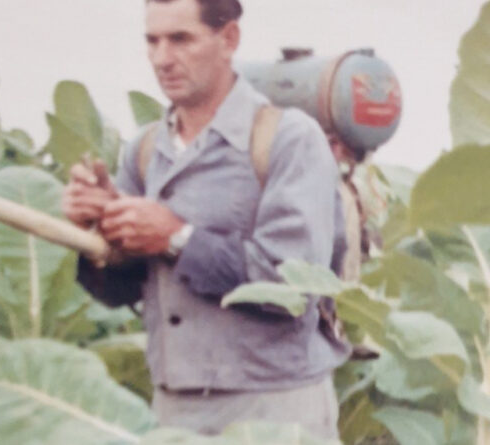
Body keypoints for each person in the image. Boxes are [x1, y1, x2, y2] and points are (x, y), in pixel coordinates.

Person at [61, 0, 350, 439]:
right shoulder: (144, 149)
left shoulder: (288, 139)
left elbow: (294, 288)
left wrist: (175, 237)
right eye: (152, 40)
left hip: (273, 406)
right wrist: (98, 230)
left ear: (228, 39)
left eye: (180, 39)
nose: (162, 58)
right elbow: (121, 291)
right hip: (174, 408)